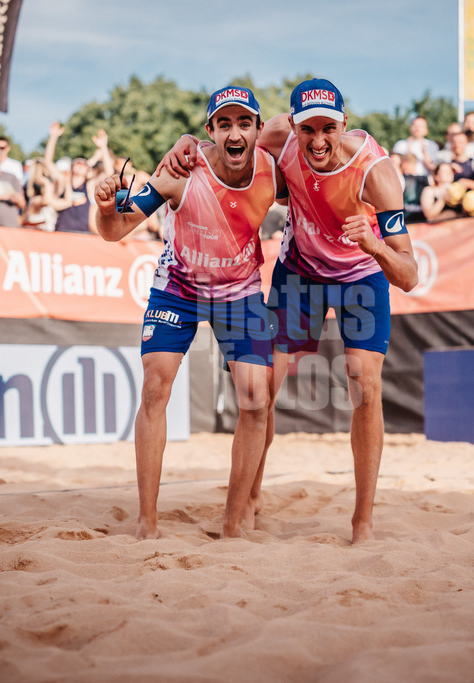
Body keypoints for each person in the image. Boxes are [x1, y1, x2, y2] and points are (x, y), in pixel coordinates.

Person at [160, 78, 419, 543]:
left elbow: (409, 274)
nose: (318, 140)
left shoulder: (377, 173)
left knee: (365, 383)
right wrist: (186, 141)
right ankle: (253, 495)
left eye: (328, 129)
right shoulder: (276, 135)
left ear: (344, 124)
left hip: (360, 273)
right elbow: (225, 141)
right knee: (265, 385)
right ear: (292, 125)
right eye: (308, 130)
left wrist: (374, 244)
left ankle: (362, 522)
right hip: (299, 271)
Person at [94, 86, 284, 540]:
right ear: (210, 131)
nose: (234, 132)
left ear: (258, 129)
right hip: (178, 289)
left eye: (244, 123)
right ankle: (147, 523)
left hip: (239, 290)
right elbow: (115, 230)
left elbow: (307, 141)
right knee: (156, 387)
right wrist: (104, 207)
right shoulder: (181, 169)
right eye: (224, 124)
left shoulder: (274, 172)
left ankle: (234, 523)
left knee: (257, 398)